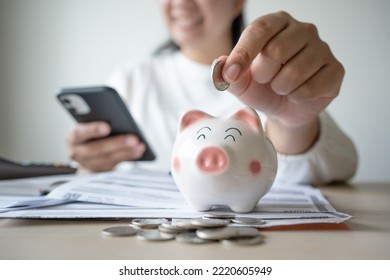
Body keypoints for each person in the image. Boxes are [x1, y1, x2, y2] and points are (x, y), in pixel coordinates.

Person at [65, 0, 358, 184]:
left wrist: (289, 121)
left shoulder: (279, 77)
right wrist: (89, 163)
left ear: (236, 3)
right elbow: (94, 177)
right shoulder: (131, 78)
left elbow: (339, 164)